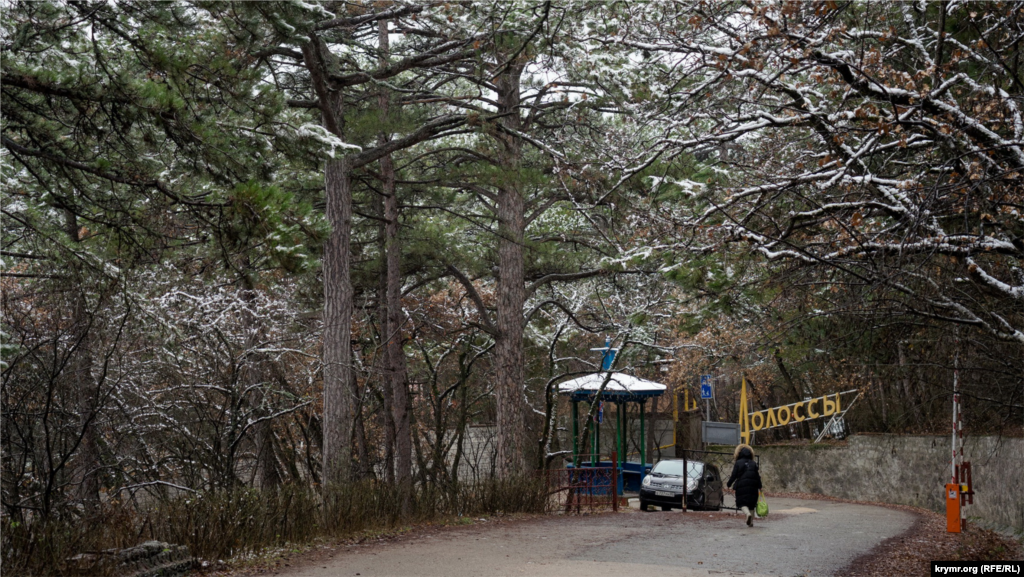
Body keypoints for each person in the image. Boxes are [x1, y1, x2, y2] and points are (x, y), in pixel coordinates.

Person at [727, 443, 762, 527]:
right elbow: (757, 476)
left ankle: (747, 514)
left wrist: (729, 484)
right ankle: (751, 522)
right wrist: (760, 486)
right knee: (752, 504)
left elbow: (734, 475)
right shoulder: (753, 463)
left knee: (742, 502)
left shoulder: (738, 463)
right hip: (753, 485)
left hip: (742, 485)